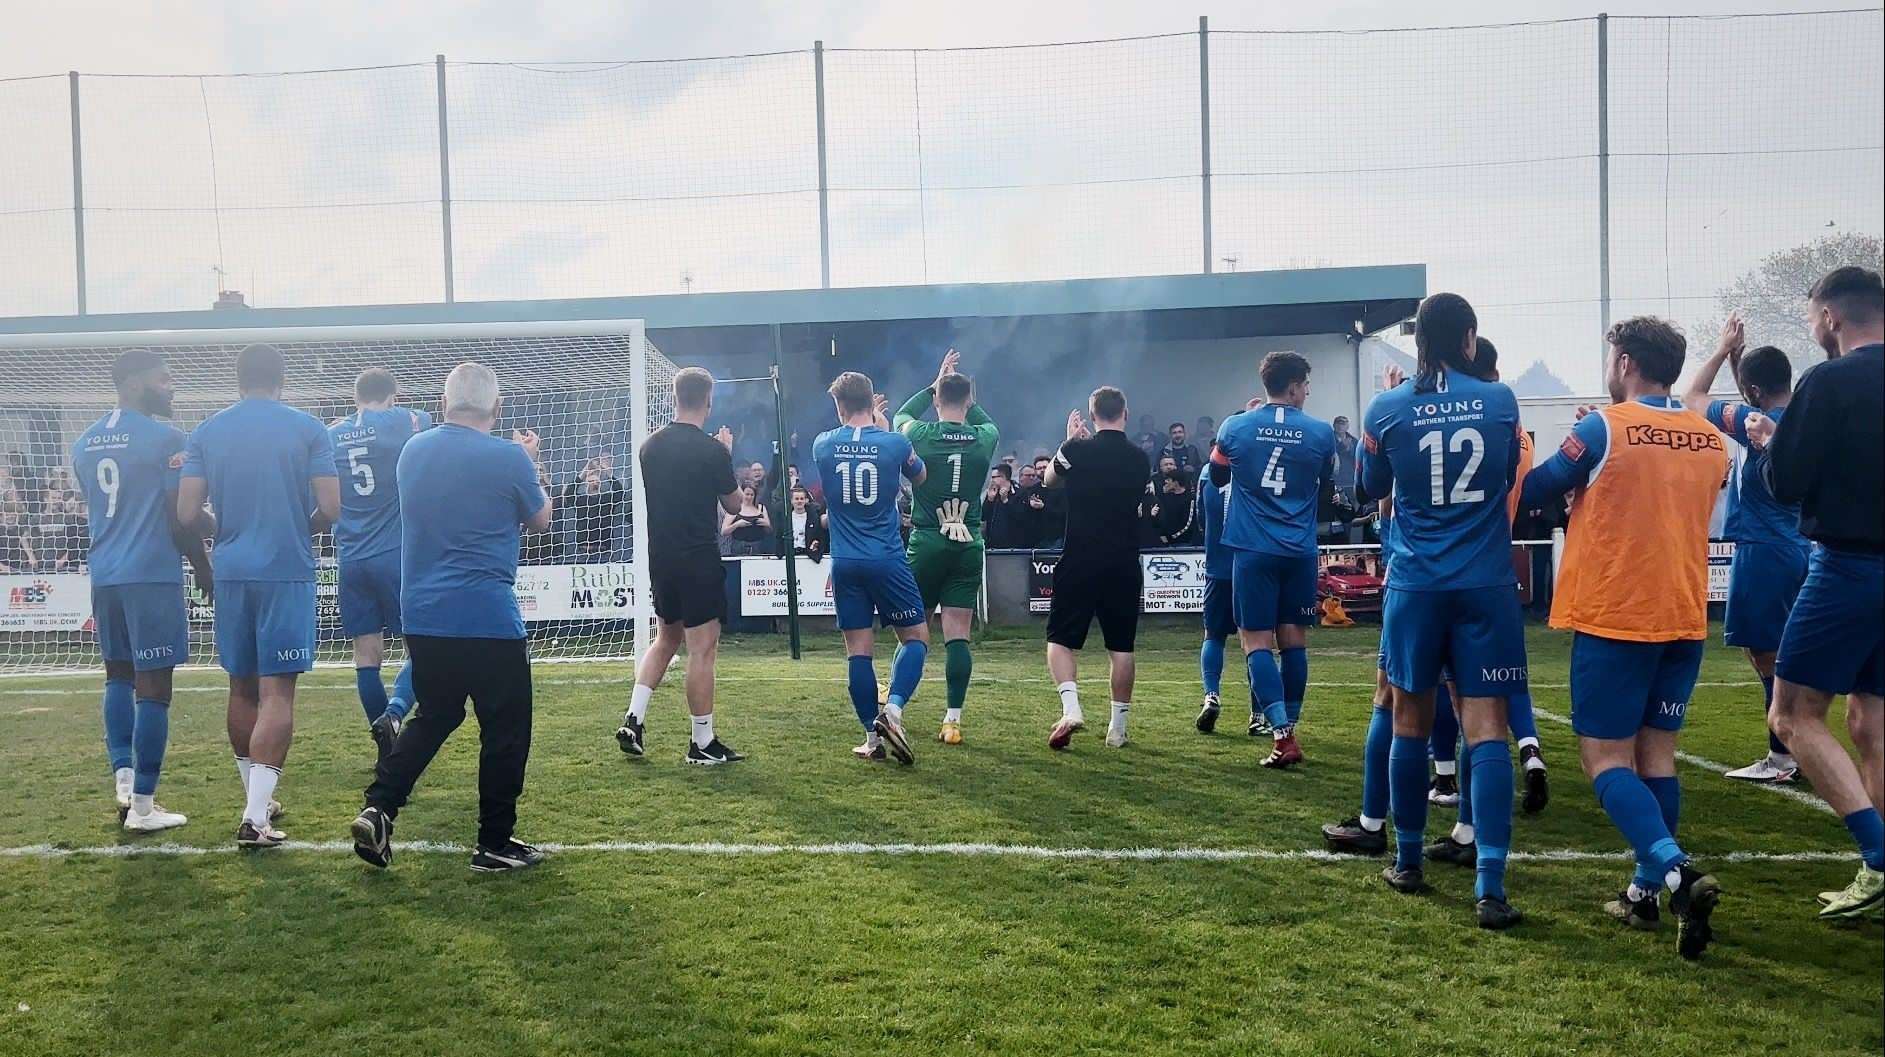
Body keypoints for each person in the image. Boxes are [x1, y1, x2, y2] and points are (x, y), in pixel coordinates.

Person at [1519, 315, 1730, 957]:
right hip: (1684, 616)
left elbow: (1537, 490)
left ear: (1628, 362)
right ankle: (1642, 892)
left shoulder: (1603, 426)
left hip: (1617, 615)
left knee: (1606, 761)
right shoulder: (1710, 438)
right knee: (1656, 757)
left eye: (1612, 358)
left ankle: (1675, 872)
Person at [1359, 294, 1527, 931]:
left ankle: (1406, 861)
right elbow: (1507, 470)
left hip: (1417, 586)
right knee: (1486, 730)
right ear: (1469, 340)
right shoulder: (1501, 399)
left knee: (1409, 721)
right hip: (1485, 585)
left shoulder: (1386, 408)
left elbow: (1369, 488)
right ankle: (1491, 886)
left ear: (1416, 342)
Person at [351, 363, 555, 872]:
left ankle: (380, 805)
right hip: (487, 616)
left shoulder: (413, 452)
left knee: (436, 716)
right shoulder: (509, 457)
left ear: (444, 403)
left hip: (423, 614)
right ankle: (494, 842)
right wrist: (532, 462)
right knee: (505, 730)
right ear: (497, 407)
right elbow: (541, 520)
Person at [1746, 265, 1884, 921]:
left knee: (1792, 716)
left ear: (1829, 317)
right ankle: (1875, 870)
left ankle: (1880, 858)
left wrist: (1768, 444)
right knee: (1870, 722)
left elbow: (1784, 483)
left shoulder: (1827, 380)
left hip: (1848, 566)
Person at [177, 343, 340, 849]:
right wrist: (300, 526)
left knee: (241, 688)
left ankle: (257, 801)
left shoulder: (206, 430)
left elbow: (186, 514)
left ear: (238, 379)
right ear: (281, 380)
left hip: (230, 572)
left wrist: (223, 526)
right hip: (284, 570)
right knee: (278, 693)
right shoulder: (308, 428)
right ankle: (254, 818)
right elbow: (331, 508)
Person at [71, 349, 212, 832]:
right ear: (133, 383)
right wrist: (205, 569)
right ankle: (145, 808)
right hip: (150, 573)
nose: (171, 388)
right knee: (154, 687)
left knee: (117, 676)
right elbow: (179, 520)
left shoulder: (84, 441)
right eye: (164, 380)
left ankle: (125, 782)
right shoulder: (168, 438)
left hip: (105, 573)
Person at [1680, 316, 1810, 784]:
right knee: (1787, 653)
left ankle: (1783, 754)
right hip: (1802, 548)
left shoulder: (1753, 424)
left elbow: (1692, 399)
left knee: (1767, 656)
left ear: (1753, 391)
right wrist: (1740, 362)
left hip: (1763, 549)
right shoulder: (1800, 419)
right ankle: (1794, 746)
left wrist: (1719, 350)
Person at [1209, 351, 1335, 768]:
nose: (1308, 392)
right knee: (1294, 640)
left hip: (1253, 550)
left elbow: (1219, 477)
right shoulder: (1321, 433)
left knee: (1255, 642)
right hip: (1299, 550)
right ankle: (1291, 724)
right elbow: (1325, 485)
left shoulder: (1234, 427)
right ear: (1295, 386)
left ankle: (1282, 735)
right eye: (1307, 385)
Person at [615, 366, 746, 765]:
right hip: (698, 558)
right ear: (708, 401)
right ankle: (701, 743)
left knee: (666, 640)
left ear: (674, 398)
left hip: (663, 559)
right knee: (701, 650)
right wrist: (726, 453)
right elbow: (735, 505)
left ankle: (634, 719)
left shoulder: (649, 446)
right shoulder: (712, 451)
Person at [814, 373, 929, 764]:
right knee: (915, 637)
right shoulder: (895, 443)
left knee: (858, 653)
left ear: (838, 405)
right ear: (871, 402)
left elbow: (850, 444)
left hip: (845, 561)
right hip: (887, 557)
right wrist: (882, 424)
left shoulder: (822, 445)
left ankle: (872, 738)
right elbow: (920, 475)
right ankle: (893, 712)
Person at [896, 349, 1001, 745]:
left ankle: (895, 705)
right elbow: (986, 421)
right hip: (968, 541)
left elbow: (900, 415)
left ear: (937, 399)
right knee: (957, 632)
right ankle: (952, 720)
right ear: (969, 400)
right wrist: (964, 398)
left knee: (913, 629)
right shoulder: (984, 438)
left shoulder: (919, 434)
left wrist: (932, 384)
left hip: (927, 540)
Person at [327, 367, 432, 762]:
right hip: (395, 554)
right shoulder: (403, 419)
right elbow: (425, 420)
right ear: (393, 394)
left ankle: (386, 749)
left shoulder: (331, 435)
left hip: (350, 558)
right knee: (420, 648)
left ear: (355, 397)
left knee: (365, 654)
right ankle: (394, 714)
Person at [1044, 388, 1150, 750]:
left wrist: (1068, 442)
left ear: (1091, 415)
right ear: (1126, 412)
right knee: (1121, 647)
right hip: (1123, 560)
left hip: (1079, 558)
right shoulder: (1140, 458)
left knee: (1060, 640)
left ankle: (1072, 709)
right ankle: (1117, 729)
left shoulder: (1076, 450)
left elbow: (1049, 480)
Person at [1193, 440, 1256, 734]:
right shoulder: (1255, 471)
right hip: (1251, 564)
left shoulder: (1207, 473)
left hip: (1218, 566)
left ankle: (1212, 694)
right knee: (1255, 641)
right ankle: (1259, 715)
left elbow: (1200, 518)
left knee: (1213, 635)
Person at [720, 484, 773, 556]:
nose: (749, 497)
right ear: (742, 494)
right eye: (747, 494)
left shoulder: (761, 508)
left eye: (752, 495)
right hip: (739, 546)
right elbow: (724, 531)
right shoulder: (735, 508)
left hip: (758, 546)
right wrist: (737, 524)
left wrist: (766, 524)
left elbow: (769, 530)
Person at [981, 465, 1020, 550]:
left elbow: (1020, 517)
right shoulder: (992, 492)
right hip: (993, 546)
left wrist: (1005, 501)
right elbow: (983, 516)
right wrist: (990, 500)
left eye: (994, 477)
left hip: (1014, 547)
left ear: (1004, 477)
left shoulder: (1019, 492)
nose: (992, 480)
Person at [783, 485, 827, 559]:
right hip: (790, 555)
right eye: (796, 499)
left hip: (809, 556)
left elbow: (820, 536)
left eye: (801, 499)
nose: (799, 501)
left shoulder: (814, 517)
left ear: (806, 500)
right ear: (791, 501)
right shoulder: (786, 517)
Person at [1331, 415, 1359, 498]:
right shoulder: (1328, 439)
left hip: (1351, 480)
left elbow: (1357, 460)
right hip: (1335, 481)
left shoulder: (1354, 441)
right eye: (1338, 423)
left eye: (1343, 423)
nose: (1340, 426)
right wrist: (1342, 446)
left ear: (1347, 426)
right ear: (1334, 425)